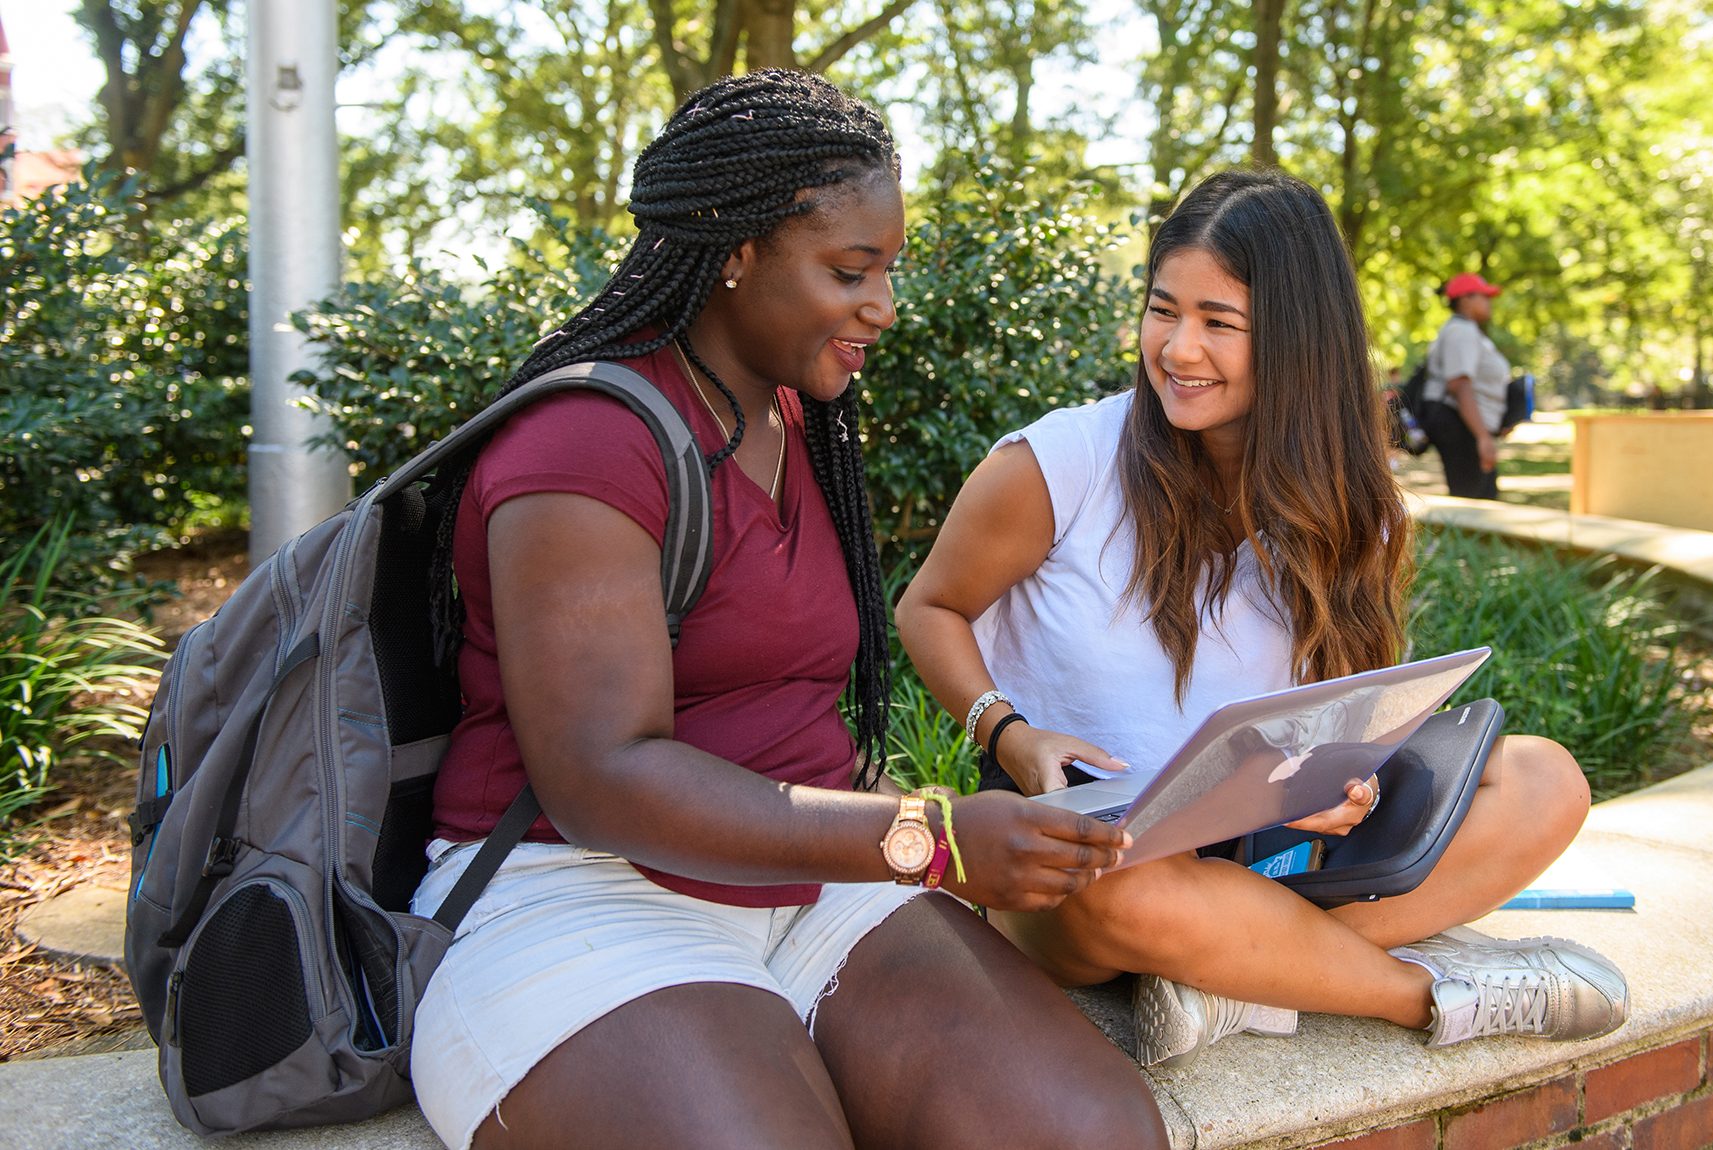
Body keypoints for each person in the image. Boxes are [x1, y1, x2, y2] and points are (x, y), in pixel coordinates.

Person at [406, 71, 1168, 1150]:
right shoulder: (584, 440)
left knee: (1088, 1132)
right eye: (850, 271)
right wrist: (930, 837)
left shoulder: (791, 414)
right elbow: (600, 778)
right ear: (736, 248)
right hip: (577, 887)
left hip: (813, 881)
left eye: (888, 269)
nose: (883, 306)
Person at [895, 170, 1629, 1070]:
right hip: (1090, 857)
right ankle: (1429, 996)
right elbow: (929, 606)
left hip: (1259, 852)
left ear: (1296, 339)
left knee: (1544, 782)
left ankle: (1230, 978)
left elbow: (1343, 712)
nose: (1178, 349)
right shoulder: (1058, 464)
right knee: (1113, 892)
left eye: (1219, 322)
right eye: (1163, 311)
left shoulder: (1348, 506)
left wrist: (1347, 784)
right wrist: (1009, 732)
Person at [1419, 273, 1512, 499]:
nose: (1489, 303)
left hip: (1468, 426)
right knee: (1474, 502)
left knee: (1482, 496)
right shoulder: (1461, 331)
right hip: (1461, 425)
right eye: (1484, 297)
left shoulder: (1467, 331)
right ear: (1466, 299)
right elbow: (1459, 385)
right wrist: (1482, 436)